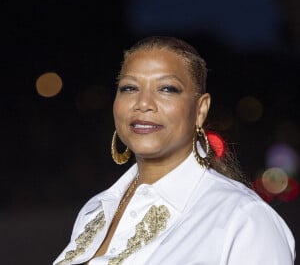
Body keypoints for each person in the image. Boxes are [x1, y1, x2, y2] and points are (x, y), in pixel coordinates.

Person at [53, 36, 295, 265]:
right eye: (129, 88)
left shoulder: (245, 219)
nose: (143, 103)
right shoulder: (95, 210)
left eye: (167, 88)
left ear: (200, 110)